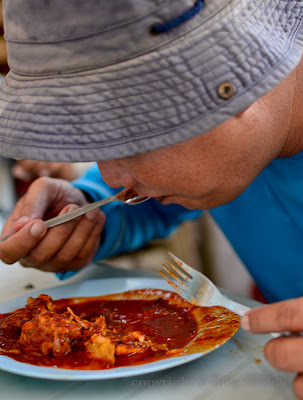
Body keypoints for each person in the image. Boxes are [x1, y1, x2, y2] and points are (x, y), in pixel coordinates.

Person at [0, 0, 303, 397]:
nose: (112, 175)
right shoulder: (232, 148)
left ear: (236, 82)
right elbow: (165, 195)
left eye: (130, 141)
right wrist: (87, 207)